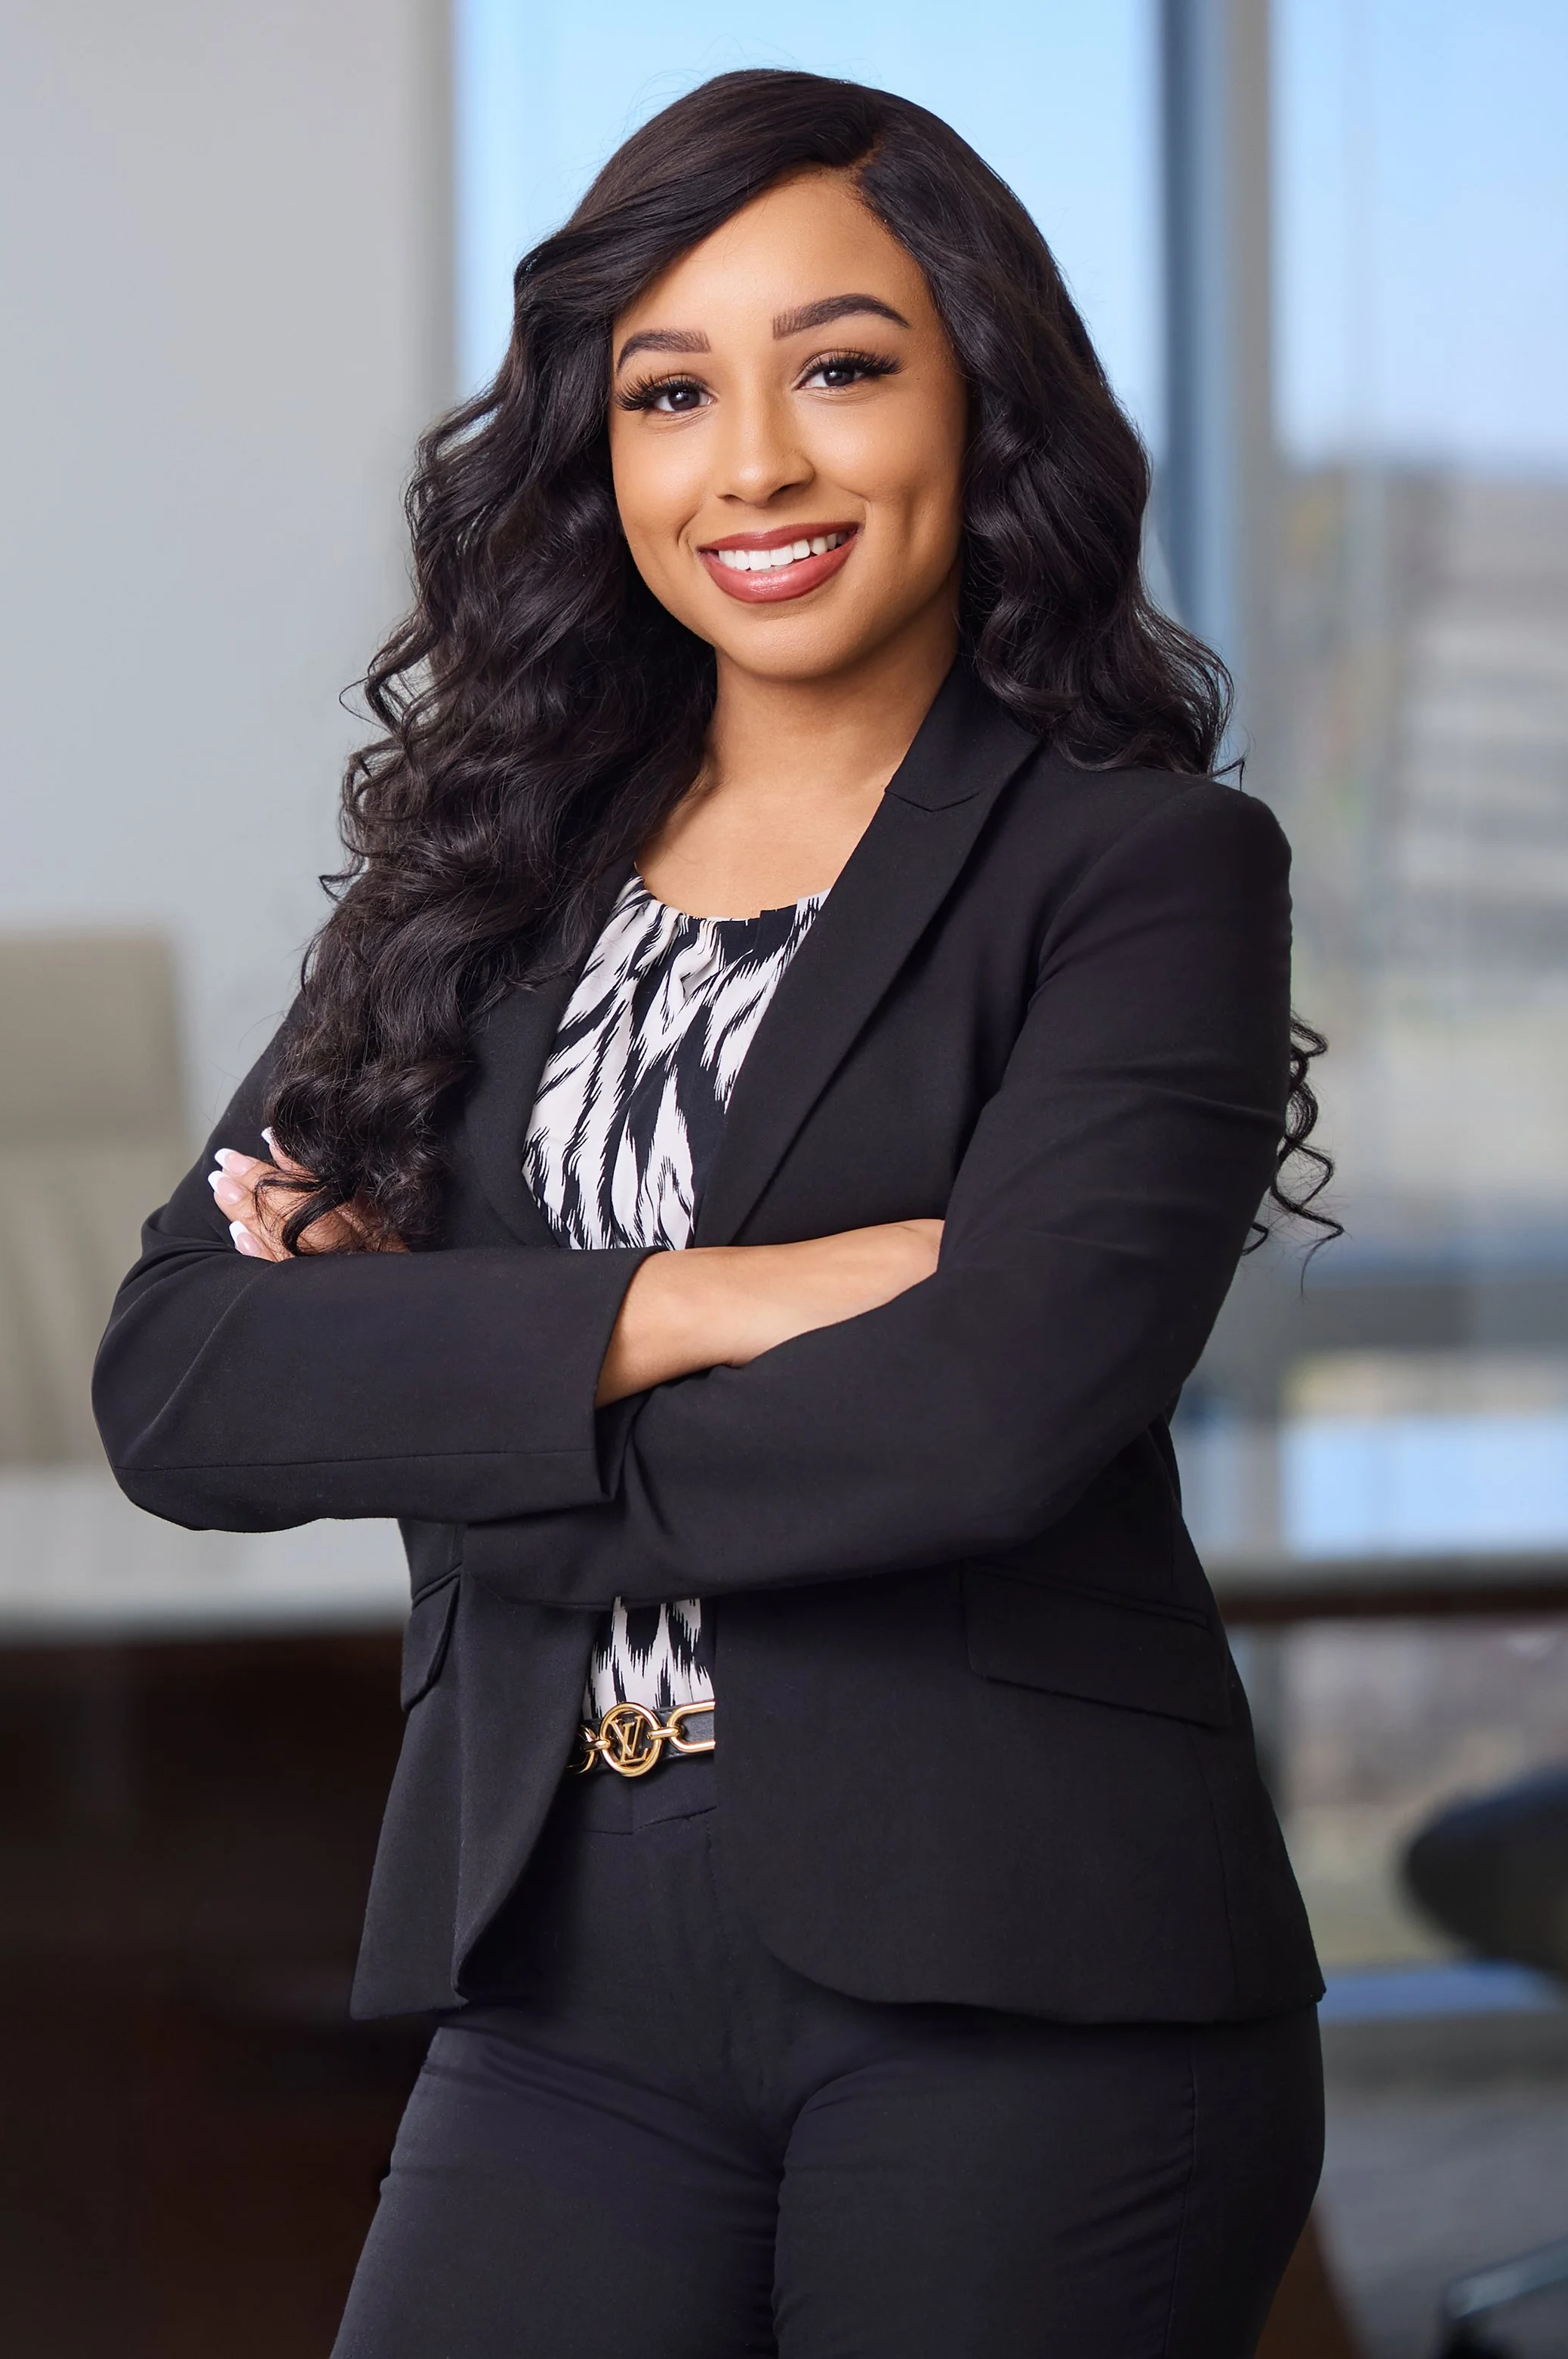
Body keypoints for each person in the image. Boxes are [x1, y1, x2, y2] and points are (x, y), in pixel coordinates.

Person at [94, 69, 1334, 2359]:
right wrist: (690, 1300)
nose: (750, 460)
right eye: (668, 391)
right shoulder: (483, 878)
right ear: (604, 454)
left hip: (1029, 1978)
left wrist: (451, 1390)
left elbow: (984, 1419)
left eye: (839, 366)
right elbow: (180, 1380)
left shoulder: (1140, 873)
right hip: (560, 1953)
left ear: (985, 404)